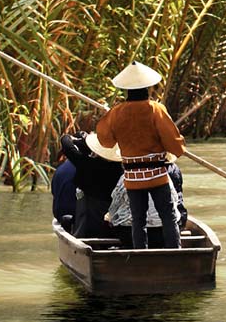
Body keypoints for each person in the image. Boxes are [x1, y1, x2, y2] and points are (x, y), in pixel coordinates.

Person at [95, 61, 185, 250]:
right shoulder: (155, 109)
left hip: (132, 177)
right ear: (147, 87)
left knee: (138, 219)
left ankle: (140, 255)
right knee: (168, 216)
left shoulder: (116, 113)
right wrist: (178, 149)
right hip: (156, 175)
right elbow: (174, 143)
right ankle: (175, 253)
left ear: (127, 90)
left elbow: (106, 141)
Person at [106, 162, 187, 248]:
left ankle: (135, 250)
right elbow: (176, 201)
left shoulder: (127, 178)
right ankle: (174, 251)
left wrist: (110, 218)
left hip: (130, 233)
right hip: (162, 234)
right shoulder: (165, 177)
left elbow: (114, 209)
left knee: (112, 220)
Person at [59, 130, 123, 238]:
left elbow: (68, 147)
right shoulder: (119, 168)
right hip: (111, 216)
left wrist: (70, 138)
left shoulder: (88, 165)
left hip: (90, 216)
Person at [50, 153, 77, 231]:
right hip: (76, 216)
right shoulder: (85, 168)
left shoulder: (59, 170)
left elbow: (54, 192)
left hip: (59, 213)